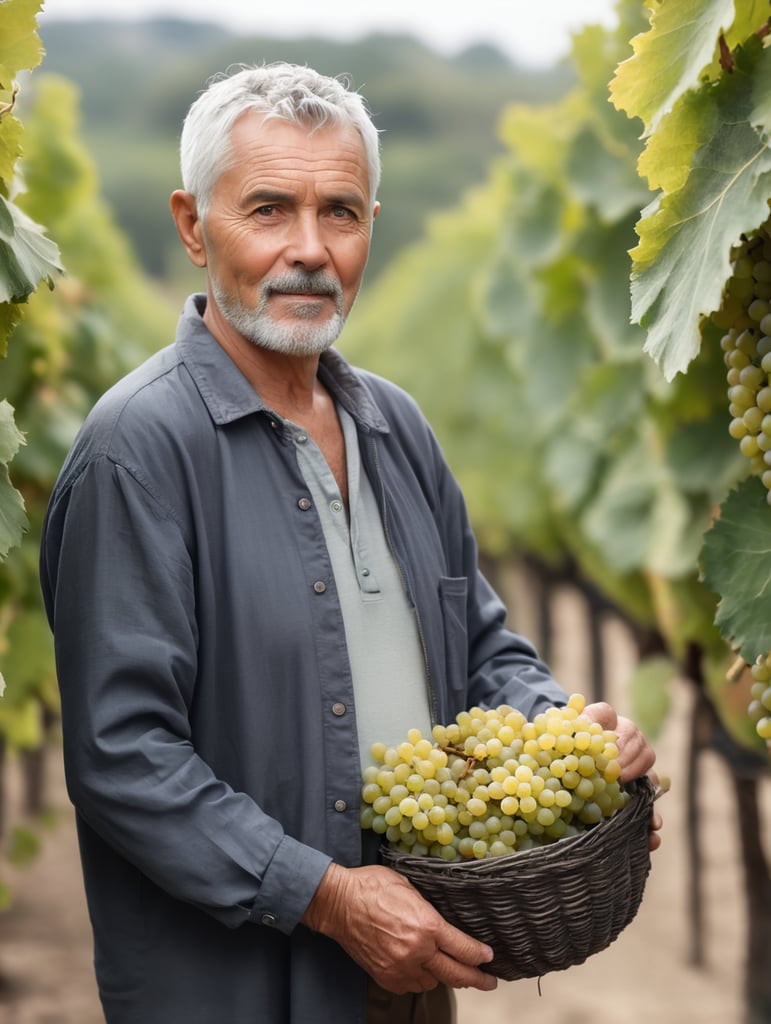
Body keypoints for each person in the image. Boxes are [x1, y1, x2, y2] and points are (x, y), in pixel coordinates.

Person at [39, 62, 660, 1024]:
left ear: (372, 221)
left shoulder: (394, 426)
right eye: (268, 210)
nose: (309, 250)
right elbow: (124, 759)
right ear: (193, 226)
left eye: (340, 211)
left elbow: (483, 647)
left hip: (411, 966)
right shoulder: (139, 453)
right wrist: (328, 896)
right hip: (241, 992)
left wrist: (566, 732)